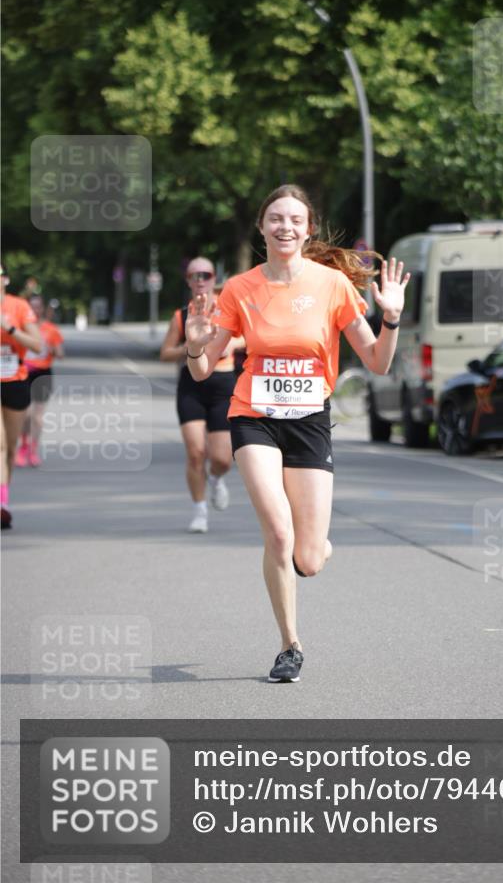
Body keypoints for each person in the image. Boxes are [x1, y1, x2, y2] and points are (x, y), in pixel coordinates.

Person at [185, 185, 409, 682]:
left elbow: (377, 361)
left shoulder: (332, 285)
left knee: (308, 556)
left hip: (309, 421)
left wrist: (391, 317)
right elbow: (203, 371)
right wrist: (195, 347)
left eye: (295, 220)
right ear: (262, 227)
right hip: (253, 416)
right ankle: (290, 645)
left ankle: (317, 548)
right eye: (275, 218)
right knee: (278, 532)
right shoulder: (241, 288)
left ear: (308, 230)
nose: (285, 226)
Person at [160, 256, 244, 534]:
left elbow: (249, 336)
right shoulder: (181, 315)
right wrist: (191, 346)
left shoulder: (228, 308)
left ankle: (216, 479)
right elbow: (165, 352)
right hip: (192, 384)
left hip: (222, 383)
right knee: (196, 452)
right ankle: (199, 511)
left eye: (205, 275)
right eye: (194, 276)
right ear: (188, 281)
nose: (199, 280)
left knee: (222, 457)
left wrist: (227, 342)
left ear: (212, 278)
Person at [0, 263, 42, 529]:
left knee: (11, 449)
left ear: (5, 279)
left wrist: (10, 329)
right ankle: (0, 505)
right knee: (0, 446)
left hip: (15, 381)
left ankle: (4, 497)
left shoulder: (18, 307)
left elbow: (37, 345)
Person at [15, 294, 65, 468]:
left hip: (43, 374)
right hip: (23, 373)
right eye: (32, 307)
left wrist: (51, 349)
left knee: (38, 417)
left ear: (42, 308)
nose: (35, 310)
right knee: (25, 414)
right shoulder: (20, 327)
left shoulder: (50, 329)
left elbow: (61, 355)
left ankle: (33, 449)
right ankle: (23, 445)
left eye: (38, 306)